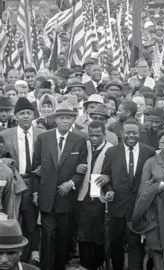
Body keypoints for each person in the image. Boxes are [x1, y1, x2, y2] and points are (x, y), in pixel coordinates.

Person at [31, 102, 88, 270]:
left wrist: (70, 183)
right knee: (48, 235)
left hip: (66, 196)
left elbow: (83, 168)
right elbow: (35, 167)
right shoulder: (44, 138)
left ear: (73, 120)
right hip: (46, 195)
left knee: (63, 236)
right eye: (61, 118)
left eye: (68, 118)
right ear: (55, 120)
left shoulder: (79, 139)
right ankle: (46, 267)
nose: (65, 121)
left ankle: (59, 266)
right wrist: (35, 192)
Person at [100, 119, 156, 270]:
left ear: (140, 133)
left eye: (134, 132)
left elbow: (153, 177)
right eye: (128, 132)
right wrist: (108, 190)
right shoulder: (111, 152)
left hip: (138, 208)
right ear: (121, 133)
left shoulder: (149, 152)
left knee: (136, 244)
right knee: (116, 244)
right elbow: (105, 176)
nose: (131, 135)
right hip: (117, 207)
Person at [0, 97, 44, 263]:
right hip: (15, 182)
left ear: (33, 115)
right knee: (14, 218)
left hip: (36, 182)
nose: (25, 116)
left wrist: (43, 168)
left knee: (32, 222)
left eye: (28, 113)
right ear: (15, 116)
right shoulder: (5, 134)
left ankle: (30, 257)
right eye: (21, 113)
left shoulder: (43, 134)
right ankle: (12, 257)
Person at [130, 130, 164, 270]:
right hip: (154, 209)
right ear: (158, 144)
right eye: (162, 142)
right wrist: (156, 187)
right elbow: (143, 187)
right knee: (156, 246)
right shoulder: (151, 162)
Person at [76, 121, 113, 270]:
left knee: (99, 234)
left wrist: (108, 178)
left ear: (104, 134)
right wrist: (77, 167)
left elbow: (115, 171)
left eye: (98, 135)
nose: (94, 138)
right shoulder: (83, 146)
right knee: (83, 233)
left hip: (101, 197)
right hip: (83, 195)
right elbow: (75, 163)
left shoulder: (111, 149)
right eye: (91, 135)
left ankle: (97, 263)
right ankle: (84, 265)